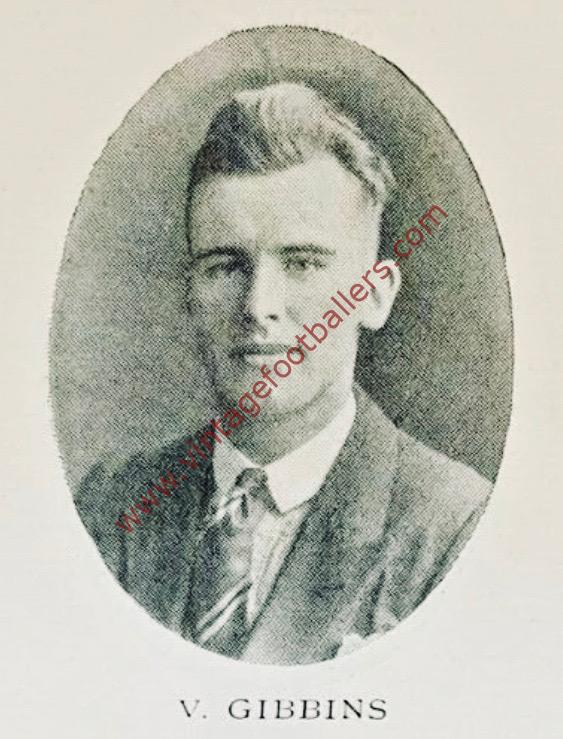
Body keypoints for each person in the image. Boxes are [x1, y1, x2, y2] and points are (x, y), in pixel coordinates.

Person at [76, 82, 491, 664]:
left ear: (373, 296)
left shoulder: (456, 527)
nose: (258, 305)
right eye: (226, 266)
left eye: (302, 264)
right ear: (189, 293)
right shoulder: (110, 507)